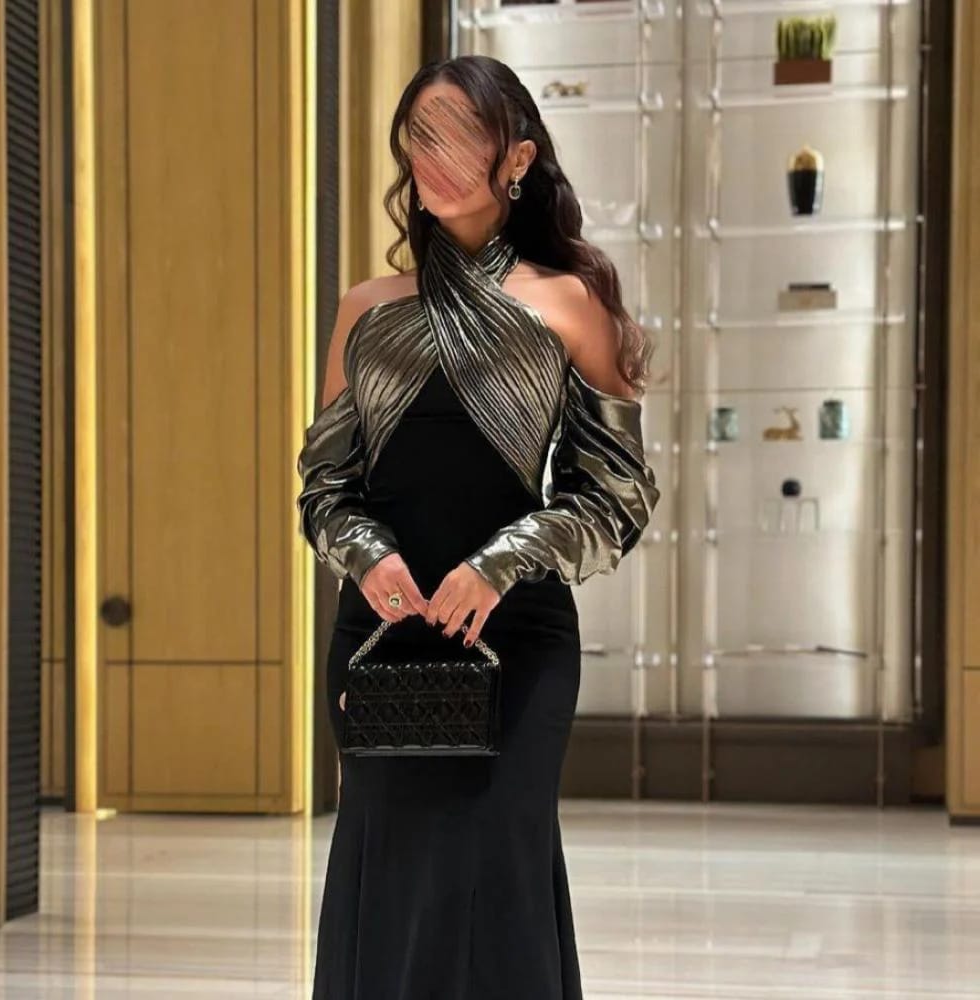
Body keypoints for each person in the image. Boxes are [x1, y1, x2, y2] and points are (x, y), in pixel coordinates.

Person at [297, 53, 660, 1000]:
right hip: (382, 635)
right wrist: (366, 555)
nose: (436, 156)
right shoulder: (365, 312)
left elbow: (619, 493)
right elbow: (324, 486)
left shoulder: (570, 304)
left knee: (499, 863)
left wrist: (501, 561)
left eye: (461, 134)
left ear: (517, 159)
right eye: (421, 136)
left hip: (518, 638)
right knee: (390, 867)